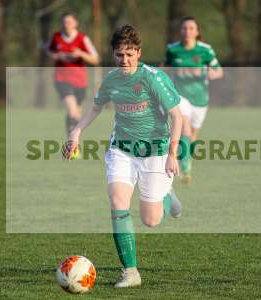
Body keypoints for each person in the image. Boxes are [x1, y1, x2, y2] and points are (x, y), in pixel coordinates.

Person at [62, 25, 183, 287]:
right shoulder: (111, 79)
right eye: (119, 55)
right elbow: (94, 109)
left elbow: (177, 115)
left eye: (129, 54)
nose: (124, 60)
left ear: (138, 53)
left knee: (151, 220)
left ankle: (166, 194)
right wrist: (76, 132)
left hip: (156, 151)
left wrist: (173, 153)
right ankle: (130, 272)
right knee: (118, 202)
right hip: (122, 150)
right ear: (113, 55)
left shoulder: (153, 78)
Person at [165, 16, 223, 185]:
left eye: (191, 28)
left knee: (192, 136)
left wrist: (206, 73)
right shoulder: (173, 49)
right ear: (180, 31)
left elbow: (219, 72)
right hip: (180, 97)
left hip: (200, 99)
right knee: (185, 125)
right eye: (184, 28)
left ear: (197, 32)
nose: (187, 31)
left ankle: (186, 158)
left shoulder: (205, 50)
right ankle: (186, 168)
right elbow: (165, 67)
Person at [47, 12, 99, 136]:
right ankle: (72, 145)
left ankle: (73, 142)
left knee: (77, 115)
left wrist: (81, 53)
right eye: (64, 22)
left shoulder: (82, 38)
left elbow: (95, 59)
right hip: (62, 79)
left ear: (76, 23)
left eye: (69, 22)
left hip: (80, 81)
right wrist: (58, 56)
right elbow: (49, 51)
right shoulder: (56, 37)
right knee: (72, 111)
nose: (67, 25)